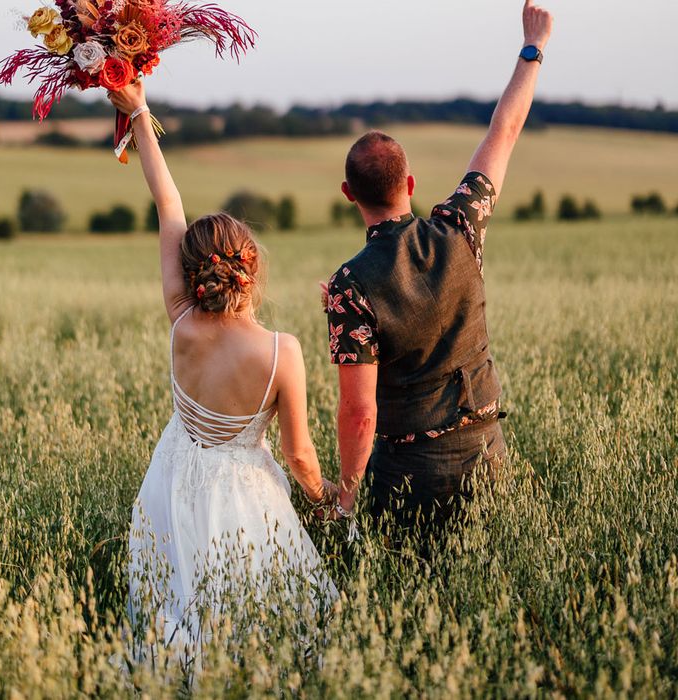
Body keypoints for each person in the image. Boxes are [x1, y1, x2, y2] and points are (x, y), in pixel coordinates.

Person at [107, 82, 337, 658]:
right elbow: (300, 456)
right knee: (260, 621)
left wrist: (139, 113)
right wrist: (325, 499)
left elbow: (168, 208)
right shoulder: (282, 352)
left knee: (174, 603)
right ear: (251, 268)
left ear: (194, 273)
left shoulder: (180, 320)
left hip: (171, 478)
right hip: (244, 496)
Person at [326, 0, 554, 539]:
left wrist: (347, 499)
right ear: (409, 183)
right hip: (488, 458)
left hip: (408, 481)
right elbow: (505, 131)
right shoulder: (460, 228)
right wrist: (533, 48)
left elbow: (359, 415)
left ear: (347, 195)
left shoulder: (348, 287)